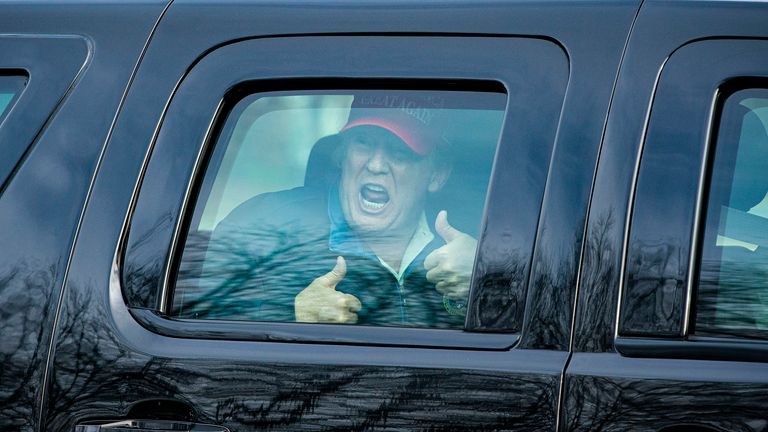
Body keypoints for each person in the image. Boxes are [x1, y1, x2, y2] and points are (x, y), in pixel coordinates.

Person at [182, 93, 479, 328]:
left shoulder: (483, 243)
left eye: (399, 151)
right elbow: (195, 332)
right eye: (363, 143)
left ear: (438, 174)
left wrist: (485, 283)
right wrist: (292, 319)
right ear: (341, 153)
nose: (375, 165)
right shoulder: (262, 225)